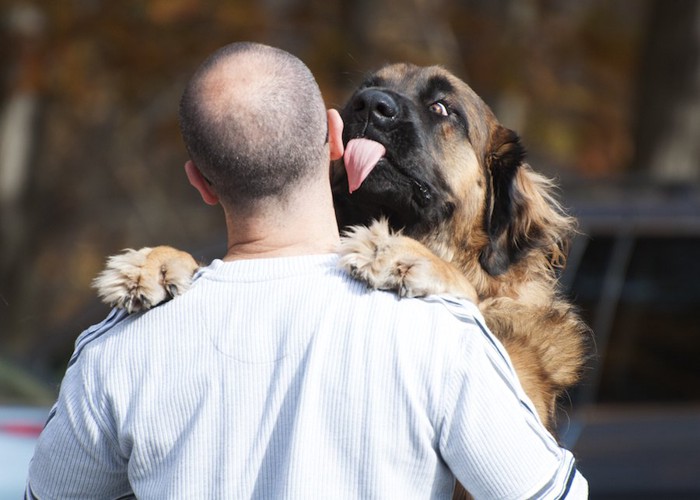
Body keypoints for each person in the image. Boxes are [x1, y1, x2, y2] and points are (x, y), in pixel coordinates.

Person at [26, 42, 587, 499]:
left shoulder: (118, 348)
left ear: (199, 181)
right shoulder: (444, 344)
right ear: (334, 146)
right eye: (370, 100)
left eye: (441, 112)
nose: (382, 107)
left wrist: (454, 285)